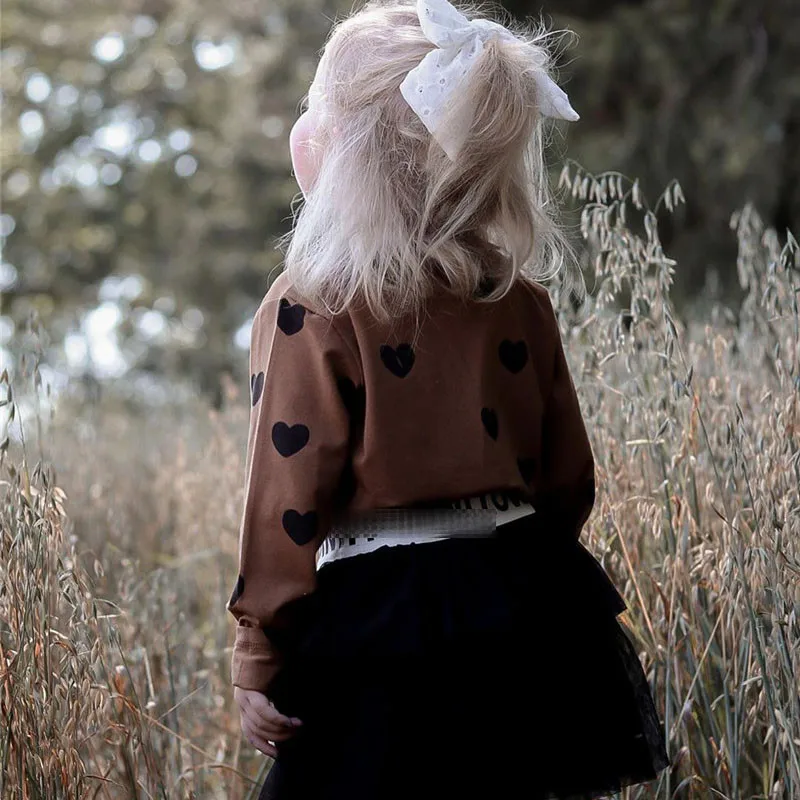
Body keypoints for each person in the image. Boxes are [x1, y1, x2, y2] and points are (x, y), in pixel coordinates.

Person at [227, 1, 671, 797]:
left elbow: (286, 500)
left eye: (313, 108)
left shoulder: (312, 303)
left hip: (382, 623)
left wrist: (259, 650)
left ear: (344, 148)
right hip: (522, 603)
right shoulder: (515, 296)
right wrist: (514, 577)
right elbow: (566, 476)